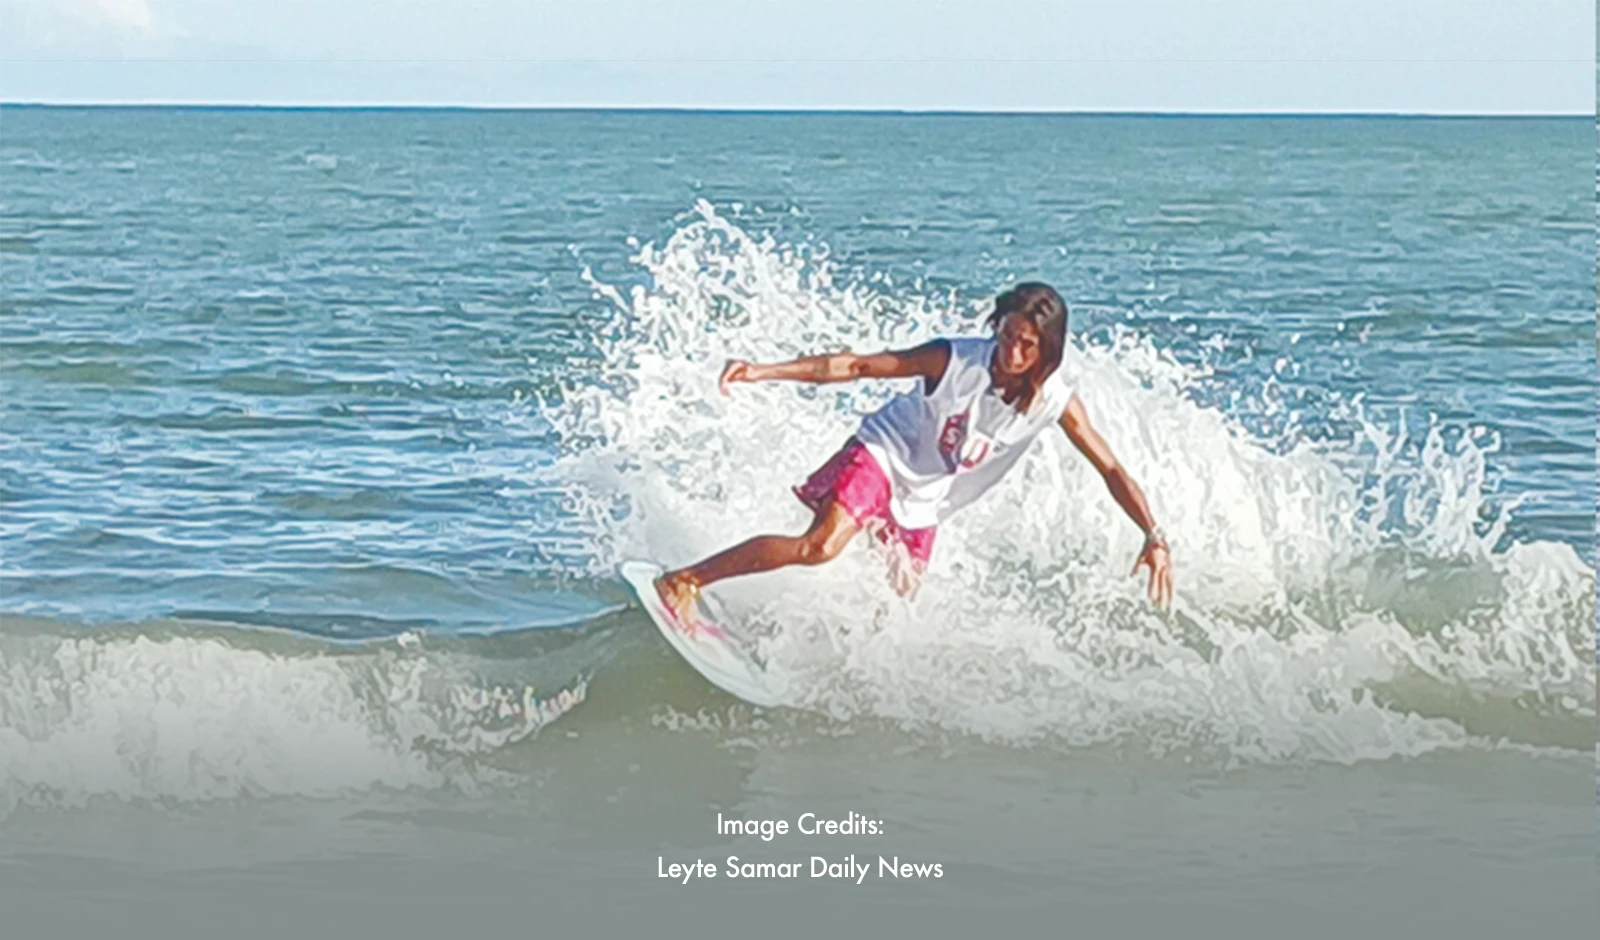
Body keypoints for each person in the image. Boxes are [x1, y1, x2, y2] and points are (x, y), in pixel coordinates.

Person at [656, 282, 1173, 629]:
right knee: (820, 547)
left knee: (899, 604)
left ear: (1048, 350)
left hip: (926, 497)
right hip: (885, 451)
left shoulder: (1056, 402)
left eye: (1028, 345)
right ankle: (685, 581)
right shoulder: (952, 359)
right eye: (1009, 336)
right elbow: (856, 366)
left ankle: (794, 650)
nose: (1011, 353)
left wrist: (1153, 535)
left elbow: (1110, 468)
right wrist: (762, 371)